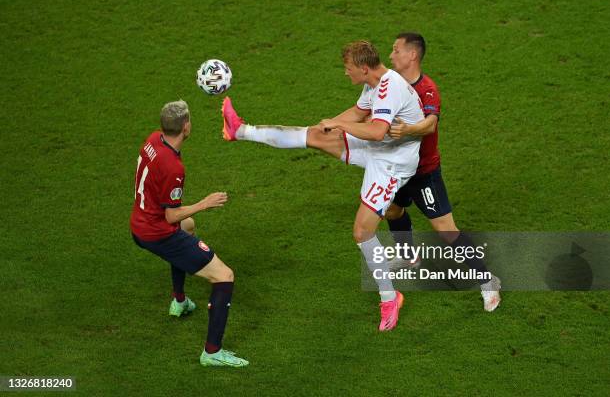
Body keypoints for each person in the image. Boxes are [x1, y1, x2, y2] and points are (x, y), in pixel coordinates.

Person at [221, 41, 424, 331]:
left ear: (363, 68)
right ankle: (240, 130)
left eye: (348, 69)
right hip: (383, 148)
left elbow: (377, 131)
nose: (346, 73)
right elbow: (357, 114)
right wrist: (327, 125)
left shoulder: (390, 87)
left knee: (361, 232)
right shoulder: (374, 83)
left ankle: (390, 298)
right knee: (315, 136)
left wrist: (340, 127)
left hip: (393, 163)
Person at [386, 32, 501, 311]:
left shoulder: (427, 89)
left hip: (424, 173)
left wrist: (406, 129)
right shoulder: (392, 84)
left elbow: (430, 125)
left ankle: (488, 281)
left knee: (446, 230)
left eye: (396, 50)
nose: (391, 55)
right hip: (399, 168)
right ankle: (408, 255)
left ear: (412, 55)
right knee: (391, 211)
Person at [130, 100, 248, 367]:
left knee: (189, 226)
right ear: (186, 127)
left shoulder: (152, 141)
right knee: (224, 276)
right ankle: (212, 352)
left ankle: (179, 301)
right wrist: (205, 203)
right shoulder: (173, 167)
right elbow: (171, 216)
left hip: (139, 221)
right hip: (157, 231)